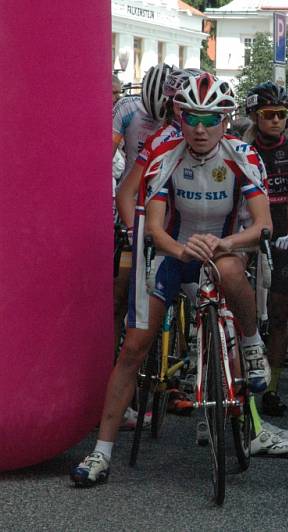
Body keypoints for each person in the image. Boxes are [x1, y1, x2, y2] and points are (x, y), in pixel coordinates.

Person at [71, 73, 275, 487]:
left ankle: (251, 344)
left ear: (225, 120)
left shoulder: (243, 156)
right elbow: (157, 225)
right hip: (172, 252)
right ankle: (101, 452)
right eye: (191, 118)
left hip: (222, 250)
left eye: (211, 119)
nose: (200, 129)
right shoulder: (166, 153)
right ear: (179, 118)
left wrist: (224, 243)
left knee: (234, 267)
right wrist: (183, 250)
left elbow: (262, 225)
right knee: (134, 347)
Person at [242, 82, 288, 419]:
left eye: (282, 115)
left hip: (284, 227)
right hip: (250, 226)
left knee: (281, 314)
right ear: (254, 116)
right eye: (268, 115)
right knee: (246, 313)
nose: (276, 121)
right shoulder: (241, 148)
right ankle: (244, 379)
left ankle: (272, 387)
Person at [111, 63, 173, 367]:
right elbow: (105, 156)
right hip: (131, 204)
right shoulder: (127, 108)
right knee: (120, 292)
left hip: (165, 206)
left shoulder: (177, 120)